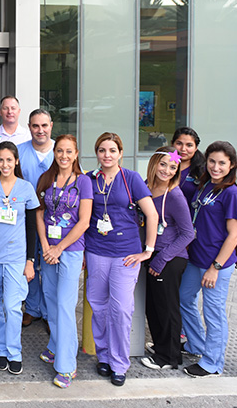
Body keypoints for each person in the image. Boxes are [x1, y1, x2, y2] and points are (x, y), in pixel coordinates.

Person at [85, 132, 158, 386]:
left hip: (126, 254)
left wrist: (147, 250)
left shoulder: (131, 179)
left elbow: (152, 215)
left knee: (121, 309)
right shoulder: (89, 180)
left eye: (112, 150)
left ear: (120, 153)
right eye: (102, 150)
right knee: (99, 306)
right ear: (97, 153)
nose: (107, 155)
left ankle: (119, 363)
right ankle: (103, 356)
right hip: (96, 251)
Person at [35, 135, 93, 388]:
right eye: (60, 151)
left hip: (69, 250)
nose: (64, 156)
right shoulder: (46, 179)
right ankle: (56, 345)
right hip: (48, 250)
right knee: (51, 301)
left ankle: (67, 366)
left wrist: (59, 247)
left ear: (77, 153)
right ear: (54, 152)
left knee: (66, 306)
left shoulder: (84, 182)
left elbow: (84, 221)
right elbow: (39, 214)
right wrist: (47, 246)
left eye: (69, 151)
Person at [0, 141, 40, 376]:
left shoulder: (26, 188)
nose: (5, 164)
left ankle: (15, 352)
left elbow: (32, 227)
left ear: (16, 161)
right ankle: (0, 350)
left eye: (9, 159)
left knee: (12, 307)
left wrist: (30, 260)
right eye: (0, 160)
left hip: (16, 257)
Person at [180, 141, 237, 378]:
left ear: (231, 165)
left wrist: (215, 267)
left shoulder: (231, 192)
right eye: (212, 161)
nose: (215, 167)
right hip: (196, 258)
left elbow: (234, 236)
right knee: (183, 298)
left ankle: (212, 362)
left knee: (213, 313)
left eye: (222, 163)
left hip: (216, 263)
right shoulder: (206, 185)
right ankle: (196, 344)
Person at [139, 147, 194, 371]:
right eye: (163, 164)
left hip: (169, 259)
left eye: (173, 167)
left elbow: (188, 233)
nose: (167, 170)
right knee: (153, 306)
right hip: (152, 256)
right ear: (153, 163)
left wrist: (163, 260)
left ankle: (169, 358)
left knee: (167, 308)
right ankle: (162, 345)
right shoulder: (147, 187)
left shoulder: (175, 195)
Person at [16, 109, 55, 329]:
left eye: (44, 125)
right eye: (35, 126)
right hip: (26, 221)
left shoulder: (60, 151)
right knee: (29, 263)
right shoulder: (20, 152)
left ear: (51, 125)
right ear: (29, 127)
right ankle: (32, 308)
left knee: (49, 268)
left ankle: (50, 313)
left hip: (54, 222)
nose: (40, 130)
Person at [172, 127, 206, 204]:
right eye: (179, 143)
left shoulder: (202, 170)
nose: (183, 149)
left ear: (196, 148)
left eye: (189, 145)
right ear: (172, 144)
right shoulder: (163, 166)